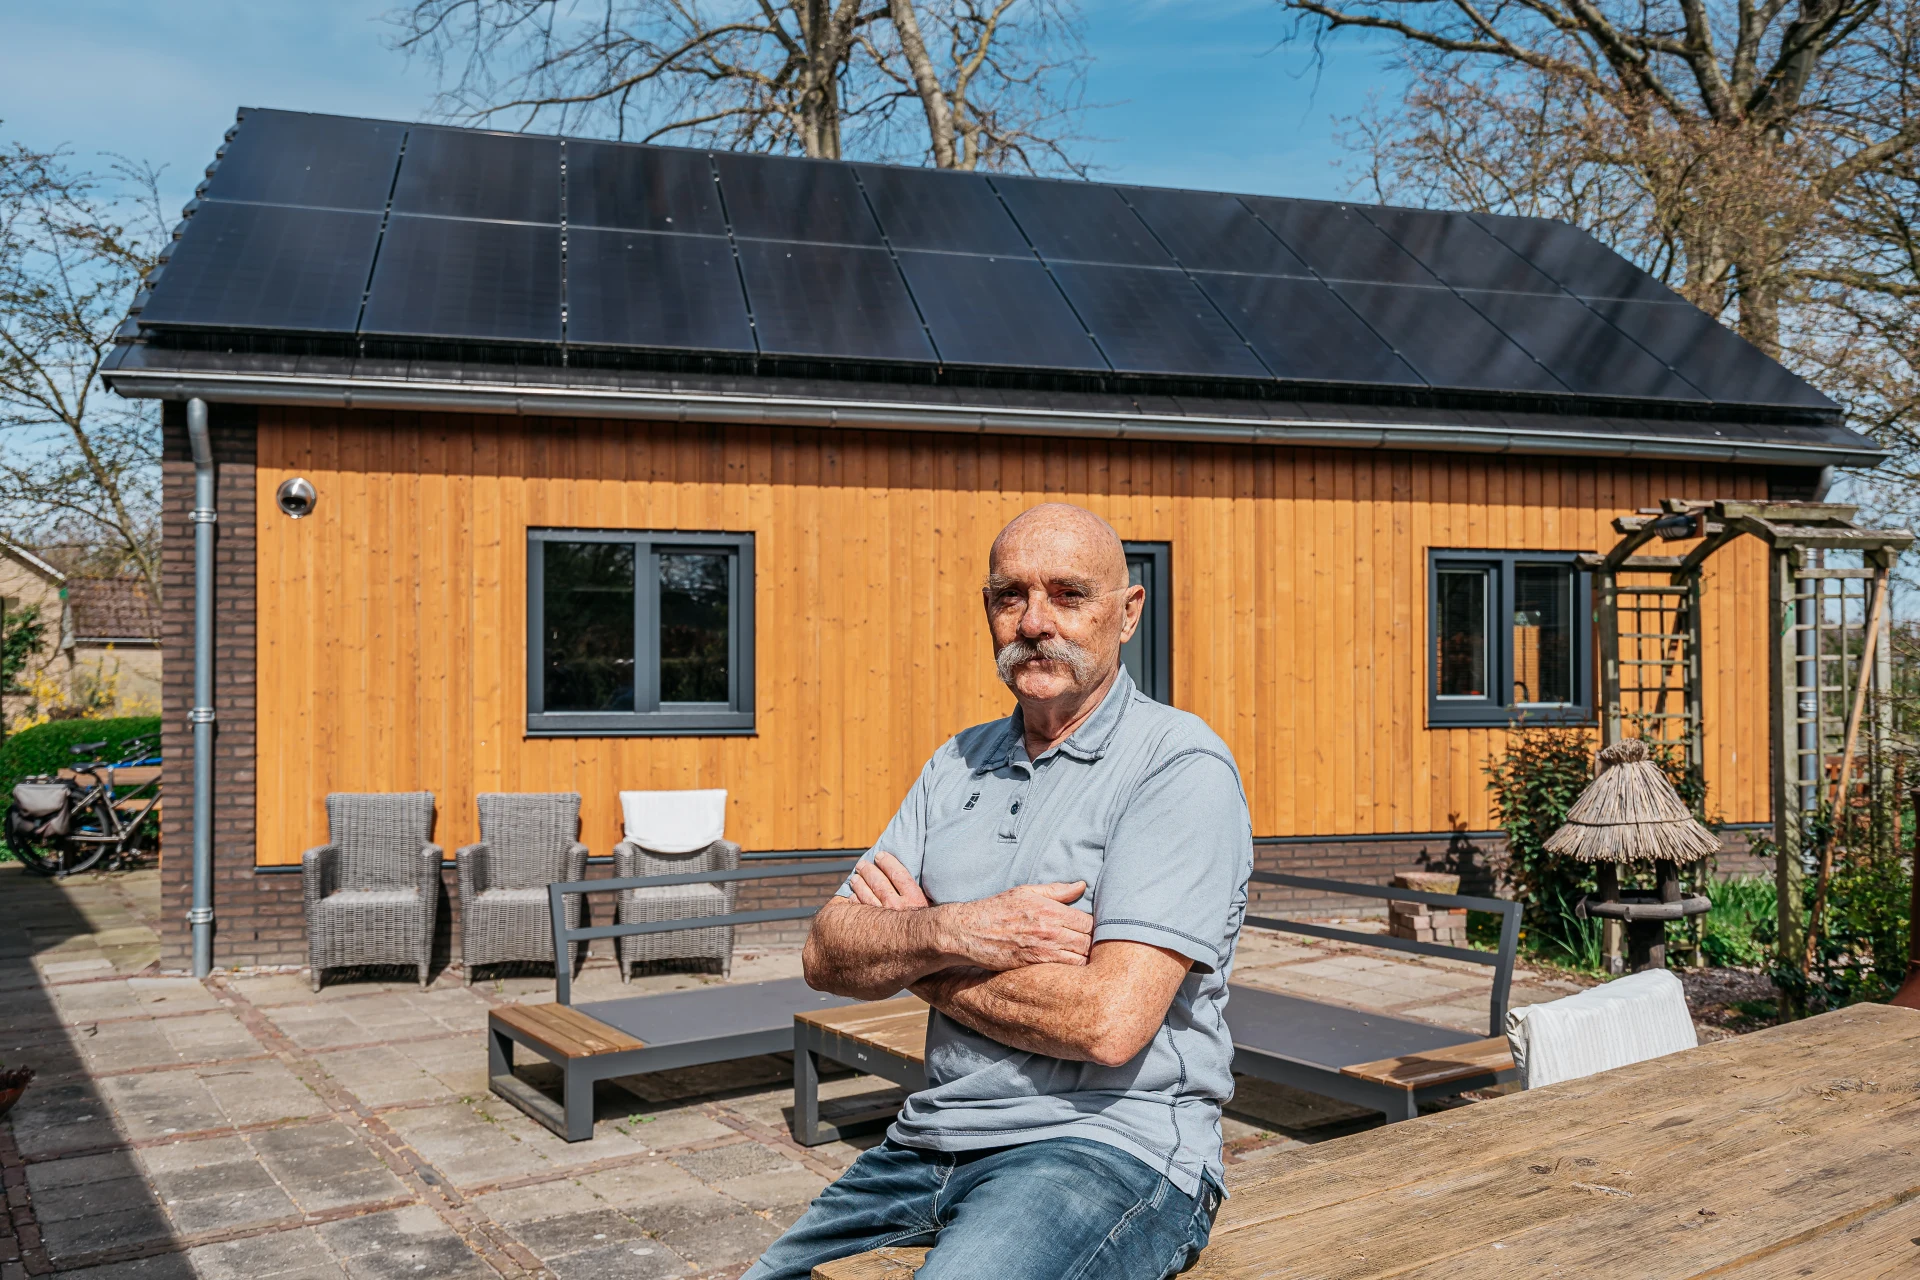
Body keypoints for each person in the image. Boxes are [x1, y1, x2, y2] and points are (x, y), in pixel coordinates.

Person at [744, 502, 1253, 1280]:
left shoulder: (1177, 766)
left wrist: (911, 955)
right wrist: (954, 930)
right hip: (928, 1142)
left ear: (1127, 613)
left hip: (1108, 1148)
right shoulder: (957, 764)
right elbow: (826, 953)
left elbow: (1107, 1025)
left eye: (1068, 594)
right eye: (1010, 595)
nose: (1034, 622)